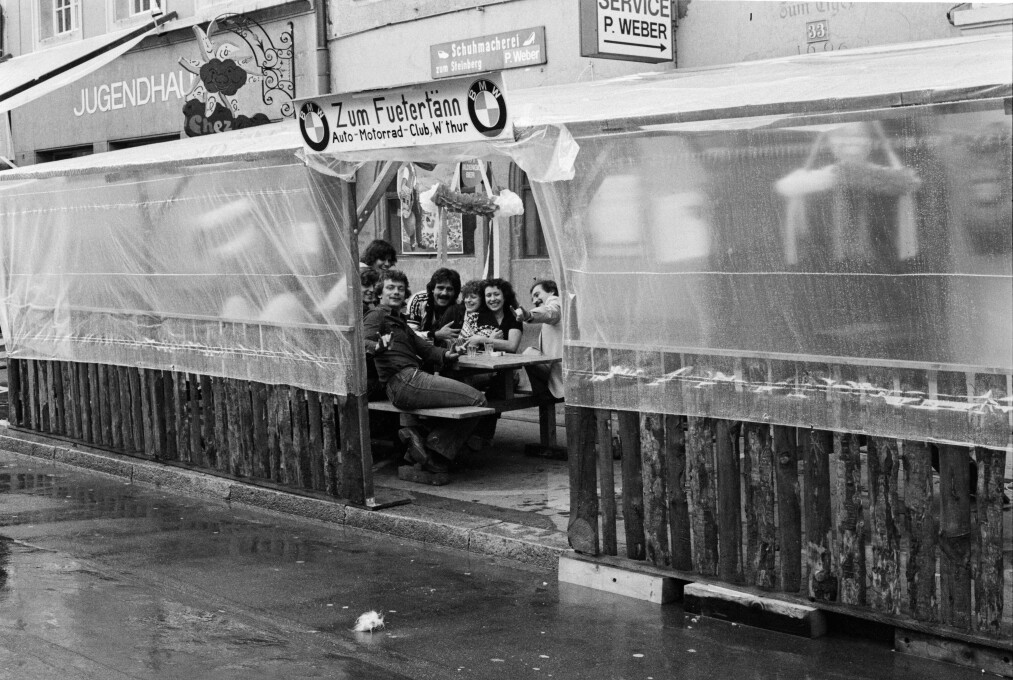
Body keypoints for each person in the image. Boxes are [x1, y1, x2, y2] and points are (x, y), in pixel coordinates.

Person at [363, 269, 487, 474]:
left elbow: (426, 349)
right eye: (390, 288)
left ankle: (422, 445)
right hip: (404, 381)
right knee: (478, 400)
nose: (396, 292)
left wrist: (448, 353)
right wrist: (376, 347)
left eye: (400, 289)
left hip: (409, 380)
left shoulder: (399, 320)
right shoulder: (377, 315)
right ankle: (432, 447)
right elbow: (361, 341)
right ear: (379, 293)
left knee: (476, 399)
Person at [514, 279, 564, 399]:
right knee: (530, 353)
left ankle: (542, 399)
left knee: (528, 354)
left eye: (537, 295)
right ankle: (542, 399)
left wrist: (529, 315)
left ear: (551, 291)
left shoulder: (556, 303)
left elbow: (550, 312)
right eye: (533, 299)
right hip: (558, 373)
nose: (535, 301)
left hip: (561, 375)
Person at [405, 268, 462, 346]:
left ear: (455, 292)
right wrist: (436, 335)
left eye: (449, 289)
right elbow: (409, 335)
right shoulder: (419, 300)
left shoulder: (456, 307)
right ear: (432, 288)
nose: (444, 293)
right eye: (440, 288)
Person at [464, 278, 522, 354]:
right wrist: (492, 340)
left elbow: (512, 346)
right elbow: (465, 348)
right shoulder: (475, 318)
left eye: (496, 294)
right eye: (488, 295)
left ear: (505, 296)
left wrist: (481, 340)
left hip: (507, 364)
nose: (493, 299)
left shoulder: (514, 317)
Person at [440, 279, 485, 349]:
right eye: (466, 297)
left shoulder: (485, 316)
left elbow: (480, 344)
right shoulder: (457, 312)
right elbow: (442, 340)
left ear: (482, 299)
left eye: (473, 297)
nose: (468, 300)